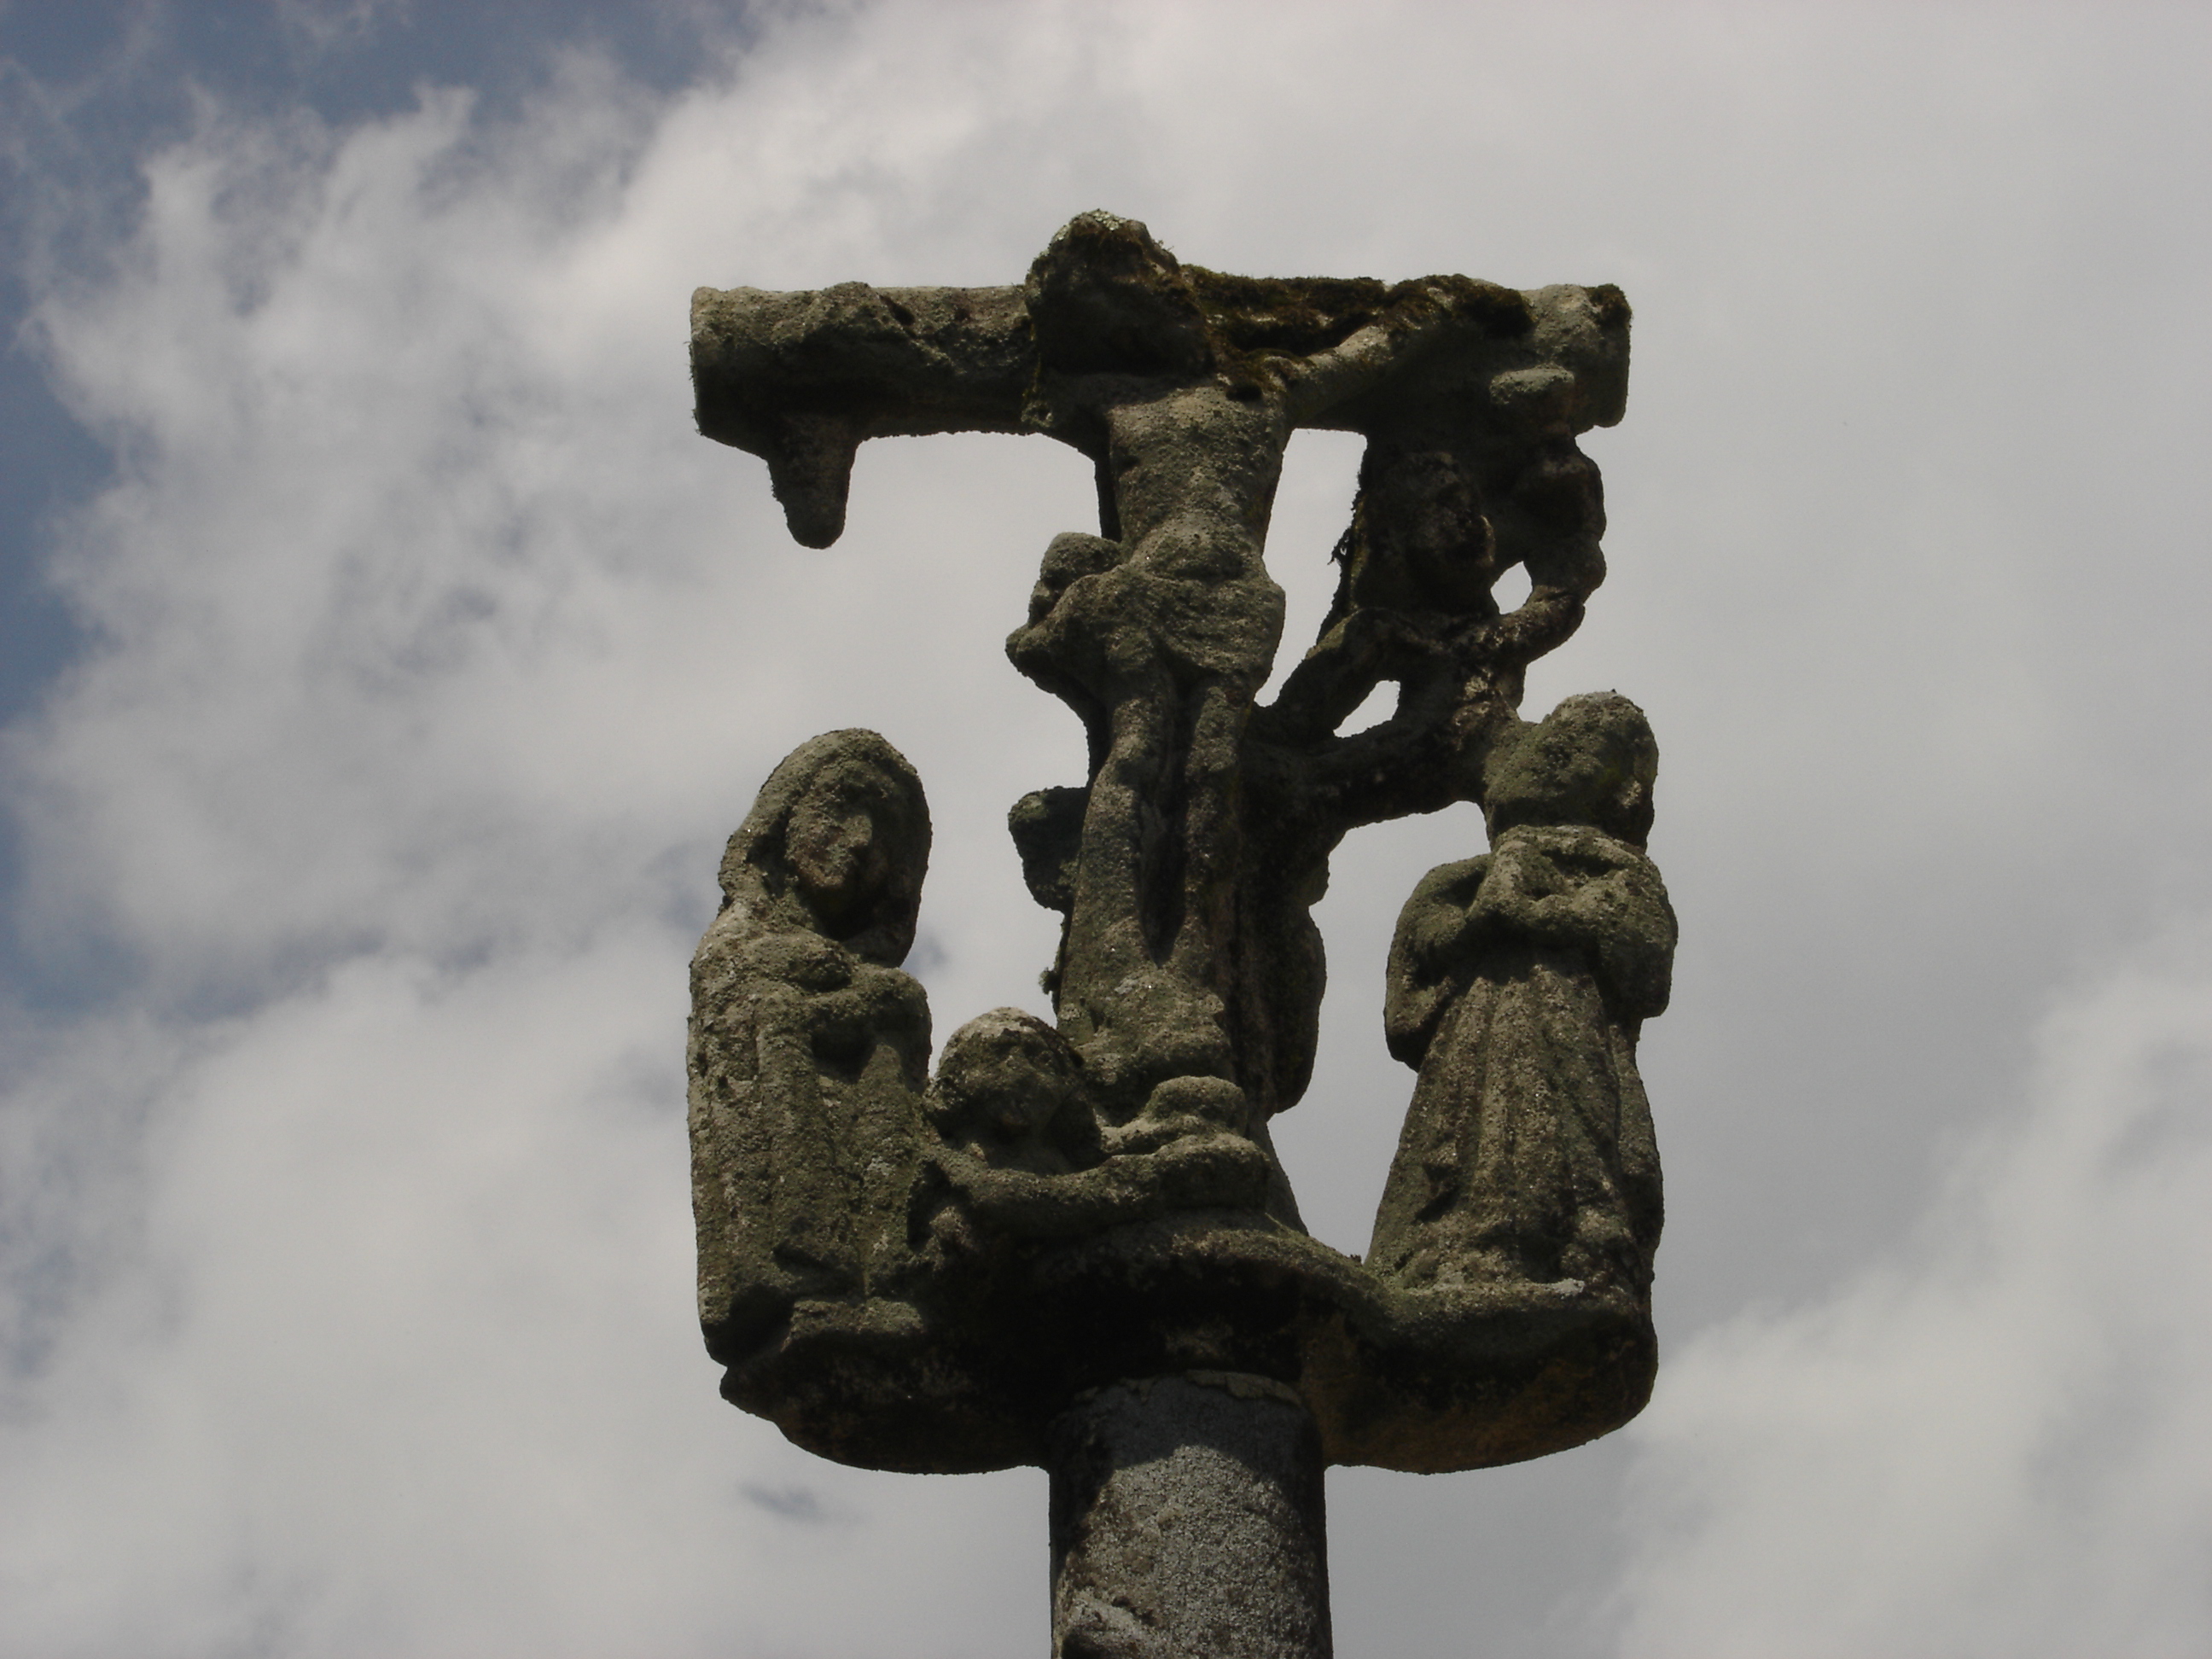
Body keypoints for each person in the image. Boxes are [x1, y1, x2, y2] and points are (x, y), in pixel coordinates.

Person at [1368, 692, 1675, 1297]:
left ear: (1624, 794)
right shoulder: (1455, 882)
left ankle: (1576, 1236)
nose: (1553, 754)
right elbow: (1411, 991)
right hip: (1473, 1038)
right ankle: (1448, 1245)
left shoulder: (1621, 871)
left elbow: (1645, 966)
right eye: (1551, 740)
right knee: (1460, 1128)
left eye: (1579, 748)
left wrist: (1540, 914)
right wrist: (1475, 925)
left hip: (1572, 1030)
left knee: (1569, 1128)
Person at [687, 730, 934, 1364]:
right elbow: (746, 1009)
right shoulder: (738, 942)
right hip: (788, 1186)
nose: (859, 842)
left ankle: (888, 1253)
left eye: (881, 834)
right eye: (842, 811)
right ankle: (822, 1258)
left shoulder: (871, 976)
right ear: (784, 821)